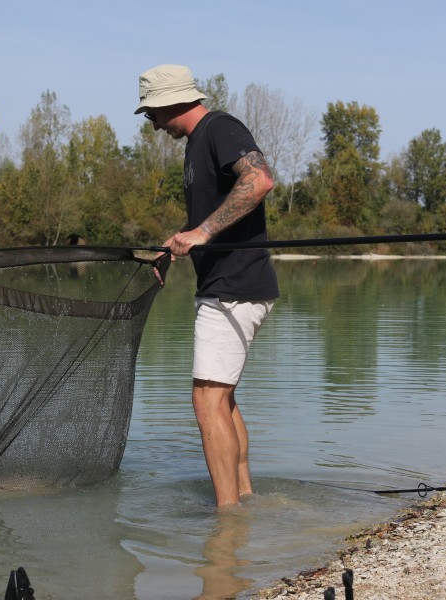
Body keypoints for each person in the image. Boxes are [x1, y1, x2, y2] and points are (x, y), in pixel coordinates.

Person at [135, 64, 279, 507]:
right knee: (222, 399)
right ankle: (244, 499)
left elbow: (259, 179)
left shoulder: (219, 127)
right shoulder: (198, 144)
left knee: (207, 401)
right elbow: (213, 212)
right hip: (231, 283)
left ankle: (227, 519)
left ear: (169, 102)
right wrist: (181, 238)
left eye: (151, 113)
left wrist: (203, 234)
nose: (152, 123)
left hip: (233, 285)